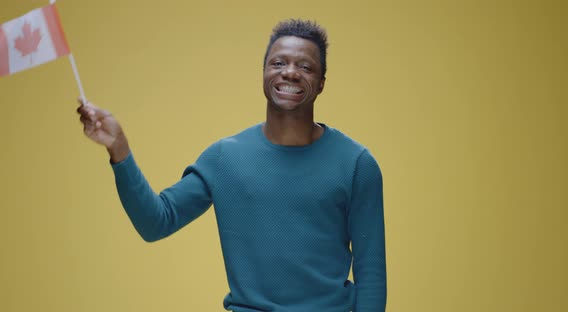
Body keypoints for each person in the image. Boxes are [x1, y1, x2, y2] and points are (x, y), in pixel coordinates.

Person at [77, 19, 386, 312]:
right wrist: (119, 148)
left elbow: (370, 272)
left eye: (305, 67)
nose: (290, 73)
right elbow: (156, 222)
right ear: (263, 72)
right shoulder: (225, 158)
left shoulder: (356, 164)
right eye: (278, 63)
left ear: (320, 84)